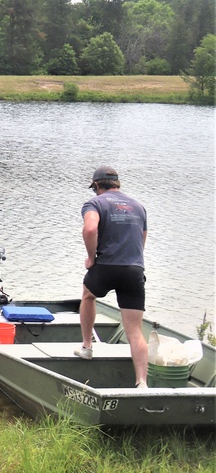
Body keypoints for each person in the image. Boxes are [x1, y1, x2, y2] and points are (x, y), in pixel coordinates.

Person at [76, 166, 149, 388]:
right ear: (117, 184)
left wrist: (91, 257)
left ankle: (87, 347)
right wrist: (134, 260)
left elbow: (89, 230)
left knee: (88, 295)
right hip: (134, 269)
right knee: (135, 330)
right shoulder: (139, 206)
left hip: (106, 266)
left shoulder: (94, 203)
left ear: (97, 186)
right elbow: (142, 236)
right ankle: (142, 383)